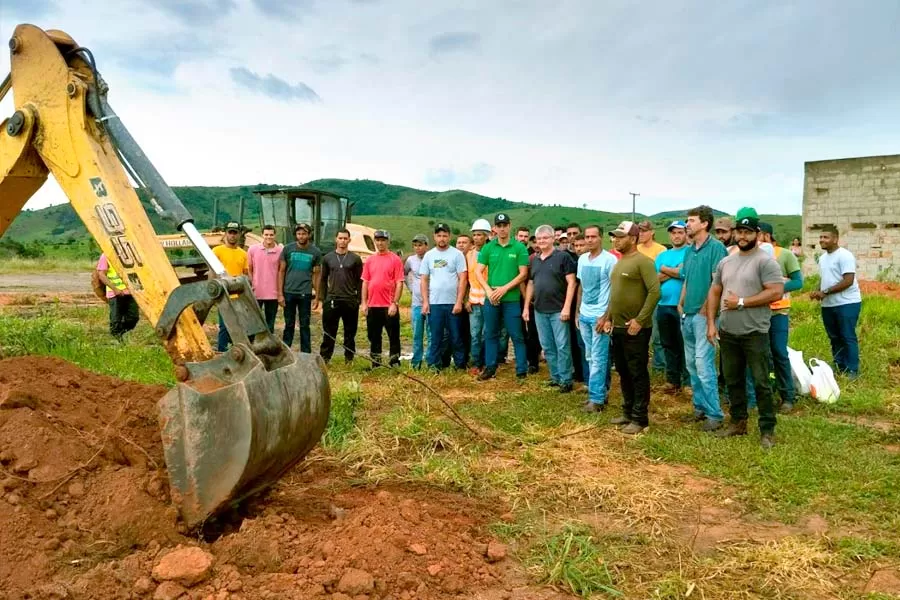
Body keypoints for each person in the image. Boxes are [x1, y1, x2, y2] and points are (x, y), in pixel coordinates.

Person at [707, 207, 784, 449]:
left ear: (757, 234)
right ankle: (738, 423)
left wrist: (741, 302)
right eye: (740, 231)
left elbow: (776, 291)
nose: (743, 236)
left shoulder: (765, 261)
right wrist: (711, 322)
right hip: (728, 331)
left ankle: (767, 430)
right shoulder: (726, 261)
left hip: (754, 332)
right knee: (733, 380)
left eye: (748, 232)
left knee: (761, 382)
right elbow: (715, 290)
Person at [602, 221, 660, 434]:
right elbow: (615, 295)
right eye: (615, 236)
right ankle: (627, 412)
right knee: (624, 371)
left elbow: (655, 292)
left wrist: (640, 320)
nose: (616, 240)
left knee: (637, 372)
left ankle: (640, 417)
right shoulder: (620, 262)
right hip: (618, 326)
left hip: (636, 328)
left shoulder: (642, 262)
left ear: (633, 238)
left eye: (620, 236)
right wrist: (608, 317)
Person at [679, 206, 728, 431]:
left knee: (703, 364)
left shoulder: (716, 249)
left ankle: (715, 414)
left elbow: (717, 284)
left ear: (704, 223)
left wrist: (707, 312)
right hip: (687, 314)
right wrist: (681, 303)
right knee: (691, 364)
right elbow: (687, 279)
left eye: (691, 220)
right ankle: (699, 408)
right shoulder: (689, 251)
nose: (687, 224)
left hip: (703, 316)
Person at [751, 222, 804, 412]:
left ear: (765, 235)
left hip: (778, 312)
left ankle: (787, 396)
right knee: (760, 355)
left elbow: (798, 282)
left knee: (779, 352)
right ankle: (765, 396)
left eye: (756, 235)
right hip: (757, 312)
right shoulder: (752, 257)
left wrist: (775, 289)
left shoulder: (785, 255)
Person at [475, 213, 530, 380]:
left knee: (516, 334)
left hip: (511, 299)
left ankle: (521, 369)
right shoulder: (488, 247)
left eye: (505, 225)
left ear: (509, 226)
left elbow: (523, 274)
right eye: (499, 226)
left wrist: (504, 289)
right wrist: (489, 291)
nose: (502, 228)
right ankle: (490, 367)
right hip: (492, 298)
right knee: (491, 333)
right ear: (495, 228)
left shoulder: (518, 247)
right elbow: (478, 271)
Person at [523, 224, 577, 392]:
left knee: (562, 345)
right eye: (539, 239)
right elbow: (531, 283)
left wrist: (567, 307)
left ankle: (566, 379)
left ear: (553, 238)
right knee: (547, 345)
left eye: (545, 238)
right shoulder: (535, 260)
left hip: (558, 310)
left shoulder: (563, 257)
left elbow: (572, 283)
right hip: (539, 310)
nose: (542, 241)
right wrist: (526, 307)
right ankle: (555, 377)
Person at [810, 225, 862, 379]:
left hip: (847, 303)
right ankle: (839, 367)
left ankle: (852, 370)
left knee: (847, 336)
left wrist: (825, 292)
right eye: (820, 237)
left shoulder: (844, 256)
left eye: (825, 237)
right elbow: (825, 277)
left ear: (835, 239)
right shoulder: (823, 258)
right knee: (834, 337)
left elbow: (848, 281)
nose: (822, 240)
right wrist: (817, 290)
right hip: (828, 304)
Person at [576, 225, 618, 412]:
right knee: (590, 357)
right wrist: (577, 311)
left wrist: (607, 316)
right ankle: (598, 393)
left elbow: (615, 291)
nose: (590, 240)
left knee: (599, 358)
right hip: (585, 314)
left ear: (601, 238)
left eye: (593, 236)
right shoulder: (582, 259)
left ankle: (597, 400)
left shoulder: (610, 260)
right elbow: (581, 286)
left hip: (600, 316)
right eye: (587, 236)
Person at [420, 223, 468, 370]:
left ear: (449, 237)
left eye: (445, 235)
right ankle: (434, 365)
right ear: (434, 237)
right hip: (435, 304)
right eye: (439, 235)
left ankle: (460, 365)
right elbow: (424, 279)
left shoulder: (457, 255)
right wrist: (425, 302)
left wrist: (459, 302)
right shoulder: (429, 255)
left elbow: (463, 278)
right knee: (435, 337)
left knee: (456, 337)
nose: (442, 238)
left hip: (453, 303)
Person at [318, 228, 363, 364]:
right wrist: (323, 298)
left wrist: (359, 299)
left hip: (350, 300)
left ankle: (349, 358)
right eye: (340, 238)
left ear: (349, 240)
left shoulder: (355, 259)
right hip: (332, 299)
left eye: (345, 238)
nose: (343, 241)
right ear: (336, 239)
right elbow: (323, 279)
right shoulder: (327, 258)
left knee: (350, 332)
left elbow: (360, 280)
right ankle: (325, 358)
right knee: (329, 331)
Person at [362, 229, 404, 368]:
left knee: (393, 335)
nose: (380, 243)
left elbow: (399, 282)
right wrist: (364, 303)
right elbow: (365, 282)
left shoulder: (395, 259)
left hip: (388, 305)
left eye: (383, 240)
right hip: (373, 305)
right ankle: (376, 362)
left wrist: (395, 303)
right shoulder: (370, 260)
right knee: (373, 335)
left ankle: (394, 360)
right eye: (378, 240)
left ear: (388, 241)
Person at [655, 221, 689, 394]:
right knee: (668, 344)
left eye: (680, 232)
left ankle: (688, 381)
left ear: (686, 234)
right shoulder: (662, 255)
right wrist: (674, 270)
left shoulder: (690, 253)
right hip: (663, 305)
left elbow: (685, 274)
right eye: (673, 233)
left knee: (685, 344)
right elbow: (656, 279)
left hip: (682, 306)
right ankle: (672, 380)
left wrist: (665, 270)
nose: (676, 236)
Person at [278, 222, 321, 353]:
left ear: (309, 235)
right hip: (289, 292)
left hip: (305, 293)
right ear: (295, 235)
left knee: (305, 324)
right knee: (289, 324)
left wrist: (317, 296)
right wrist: (280, 293)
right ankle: (286, 351)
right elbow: (281, 271)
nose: (301, 236)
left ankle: (306, 352)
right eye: (299, 234)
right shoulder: (287, 249)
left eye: (304, 234)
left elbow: (316, 275)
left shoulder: (315, 252)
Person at [212, 221, 249, 352]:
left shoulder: (243, 254)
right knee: (225, 325)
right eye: (230, 232)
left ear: (239, 235)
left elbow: (245, 275)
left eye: (235, 233)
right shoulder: (217, 251)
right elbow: (212, 273)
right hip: (223, 294)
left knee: (240, 324)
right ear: (225, 234)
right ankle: (221, 350)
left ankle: (238, 349)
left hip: (238, 295)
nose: (232, 235)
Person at [638, 220, 668, 374]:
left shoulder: (661, 250)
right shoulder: (636, 249)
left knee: (657, 334)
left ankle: (659, 366)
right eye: (639, 231)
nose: (641, 234)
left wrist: (647, 281)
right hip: (638, 297)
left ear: (652, 232)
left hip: (655, 296)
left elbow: (664, 274)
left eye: (644, 231)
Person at [466, 219, 492, 375]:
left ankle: (488, 363)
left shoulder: (492, 252)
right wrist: (465, 300)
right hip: (473, 301)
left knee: (487, 334)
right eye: (474, 235)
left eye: (480, 235)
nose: (476, 238)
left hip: (489, 301)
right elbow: (465, 279)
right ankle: (476, 363)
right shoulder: (469, 255)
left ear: (487, 236)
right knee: (475, 334)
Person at [247, 225, 282, 334]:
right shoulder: (253, 249)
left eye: (271, 235)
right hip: (257, 291)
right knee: (253, 319)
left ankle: (268, 343)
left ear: (275, 235)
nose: (269, 237)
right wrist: (252, 284)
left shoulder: (280, 250)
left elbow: (282, 271)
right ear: (262, 235)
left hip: (273, 293)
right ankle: (251, 343)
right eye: (266, 234)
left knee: (270, 321)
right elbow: (250, 269)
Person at [96, 253, 139, 340]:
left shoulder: (131, 253)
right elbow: (101, 274)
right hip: (114, 293)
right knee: (116, 319)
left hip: (131, 292)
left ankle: (119, 333)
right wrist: (115, 289)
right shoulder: (106, 256)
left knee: (133, 318)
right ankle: (117, 338)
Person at [404, 234, 429, 369]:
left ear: (426, 245)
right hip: (416, 303)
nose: (418, 248)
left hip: (432, 302)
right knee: (417, 334)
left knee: (431, 335)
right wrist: (410, 287)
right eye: (415, 245)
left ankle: (431, 361)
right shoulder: (410, 260)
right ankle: (416, 362)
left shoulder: (432, 257)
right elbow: (404, 273)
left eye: (420, 245)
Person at [569, 233, 589, 385]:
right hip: (578, 309)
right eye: (576, 246)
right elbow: (578, 287)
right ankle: (583, 376)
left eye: (582, 245)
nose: (579, 249)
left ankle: (594, 381)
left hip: (595, 310)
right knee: (580, 345)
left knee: (593, 349)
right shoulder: (576, 262)